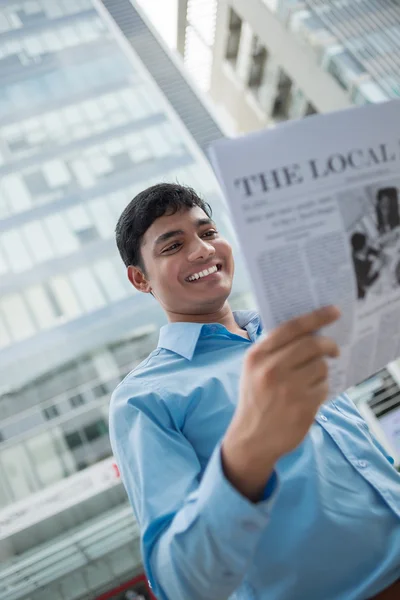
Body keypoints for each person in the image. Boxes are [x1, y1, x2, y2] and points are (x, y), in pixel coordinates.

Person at [109, 183, 400, 600]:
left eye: (207, 233)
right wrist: (248, 452)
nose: (202, 251)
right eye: (173, 246)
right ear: (140, 279)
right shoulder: (143, 399)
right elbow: (183, 584)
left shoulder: (290, 329)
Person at [350, 231, 382, 299]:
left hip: (369, 279)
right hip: (362, 294)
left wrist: (379, 254)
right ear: (363, 247)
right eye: (366, 244)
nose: (368, 245)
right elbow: (366, 283)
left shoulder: (360, 250)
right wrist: (379, 270)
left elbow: (373, 251)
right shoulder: (356, 265)